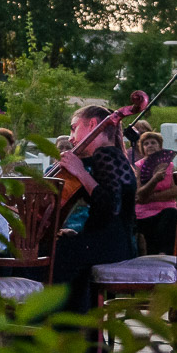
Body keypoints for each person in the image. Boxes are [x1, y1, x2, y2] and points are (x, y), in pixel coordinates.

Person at [51, 106, 139, 330]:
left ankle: (66, 332)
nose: (71, 137)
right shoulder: (110, 155)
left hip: (112, 244)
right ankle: (83, 336)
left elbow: (111, 207)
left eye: (74, 128)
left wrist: (80, 172)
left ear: (92, 124)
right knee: (65, 246)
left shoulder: (106, 154)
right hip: (114, 242)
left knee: (55, 254)